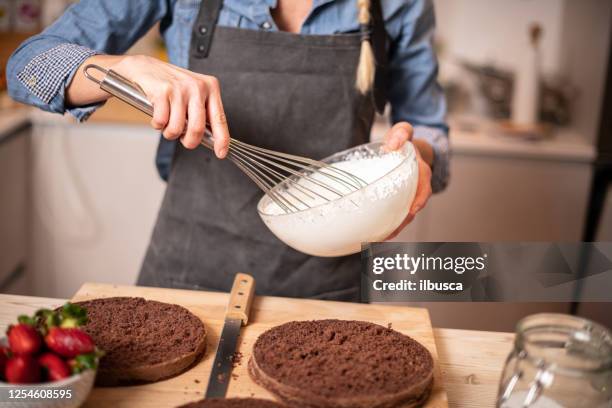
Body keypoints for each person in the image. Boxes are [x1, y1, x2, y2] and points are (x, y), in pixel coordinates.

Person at [8, 0, 449, 301]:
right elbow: (27, 66)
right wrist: (122, 68)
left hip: (327, 286)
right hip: (188, 274)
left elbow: (429, 128)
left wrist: (418, 158)